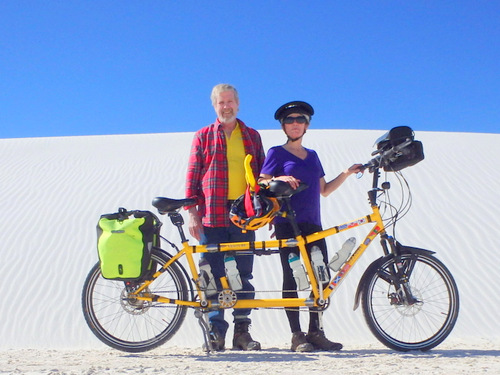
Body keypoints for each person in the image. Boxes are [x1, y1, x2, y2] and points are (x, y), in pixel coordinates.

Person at [258, 101, 362, 352]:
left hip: (313, 223)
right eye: (290, 120)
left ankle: (316, 331)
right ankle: (297, 335)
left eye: (300, 119)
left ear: (307, 125)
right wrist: (279, 178)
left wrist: (346, 173)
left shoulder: (313, 156)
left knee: (320, 276)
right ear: (283, 125)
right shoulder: (276, 153)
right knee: (292, 276)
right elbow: (262, 182)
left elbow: (324, 190)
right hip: (286, 223)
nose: (295, 123)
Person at [185, 83, 265, 351]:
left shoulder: (252, 136)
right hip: (212, 213)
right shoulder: (203, 136)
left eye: (230, 101)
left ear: (238, 104)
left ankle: (242, 332)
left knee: (243, 273)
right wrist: (193, 214)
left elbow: (263, 177)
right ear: (214, 106)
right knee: (211, 273)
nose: (226, 106)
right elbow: (193, 176)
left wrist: (269, 212)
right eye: (221, 102)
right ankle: (215, 332)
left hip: (244, 214)